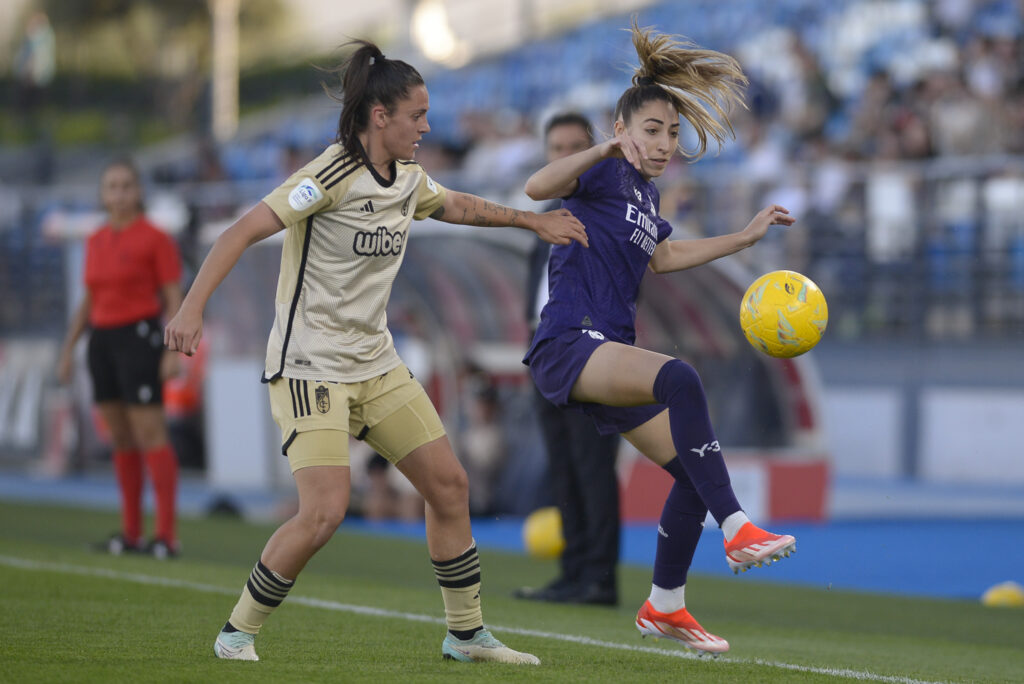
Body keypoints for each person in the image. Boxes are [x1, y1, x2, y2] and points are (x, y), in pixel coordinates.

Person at [163, 39, 587, 665]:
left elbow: (460, 206)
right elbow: (241, 230)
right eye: (418, 114)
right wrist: (192, 306)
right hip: (310, 365)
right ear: (381, 116)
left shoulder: (409, 181)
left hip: (376, 363)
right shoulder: (328, 175)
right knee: (325, 513)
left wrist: (533, 221)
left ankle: (466, 635)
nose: (427, 126)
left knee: (449, 485)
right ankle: (237, 632)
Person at [522, 20, 797, 655]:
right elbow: (536, 189)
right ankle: (737, 526)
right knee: (680, 376)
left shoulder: (644, 196)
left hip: (604, 347)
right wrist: (601, 149)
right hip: (569, 341)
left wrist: (746, 238)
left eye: (673, 131)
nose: (666, 141)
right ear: (621, 129)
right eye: (653, 129)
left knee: (689, 476)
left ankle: (665, 603)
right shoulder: (602, 172)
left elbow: (666, 259)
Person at [514, 112, 622, 606]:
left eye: (574, 147)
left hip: (591, 355)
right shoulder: (547, 218)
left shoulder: (606, 213)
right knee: (563, 468)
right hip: (548, 355)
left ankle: (600, 579)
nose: (564, 157)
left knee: (593, 469)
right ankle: (572, 571)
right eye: (556, 148)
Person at [57, 158, 184, 560]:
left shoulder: (155, 239)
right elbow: (89, 300)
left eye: (127, 185)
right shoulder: (95, 240)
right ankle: (131, 533)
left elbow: (174, 298)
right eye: (112, 186)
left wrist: (174, 349)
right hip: (102, 342)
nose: (119, 193)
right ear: (102, 193)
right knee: (120, 437)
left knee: (151, 434)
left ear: (139, 191)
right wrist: (68, 349)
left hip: (139, 337)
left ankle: (165, 535)